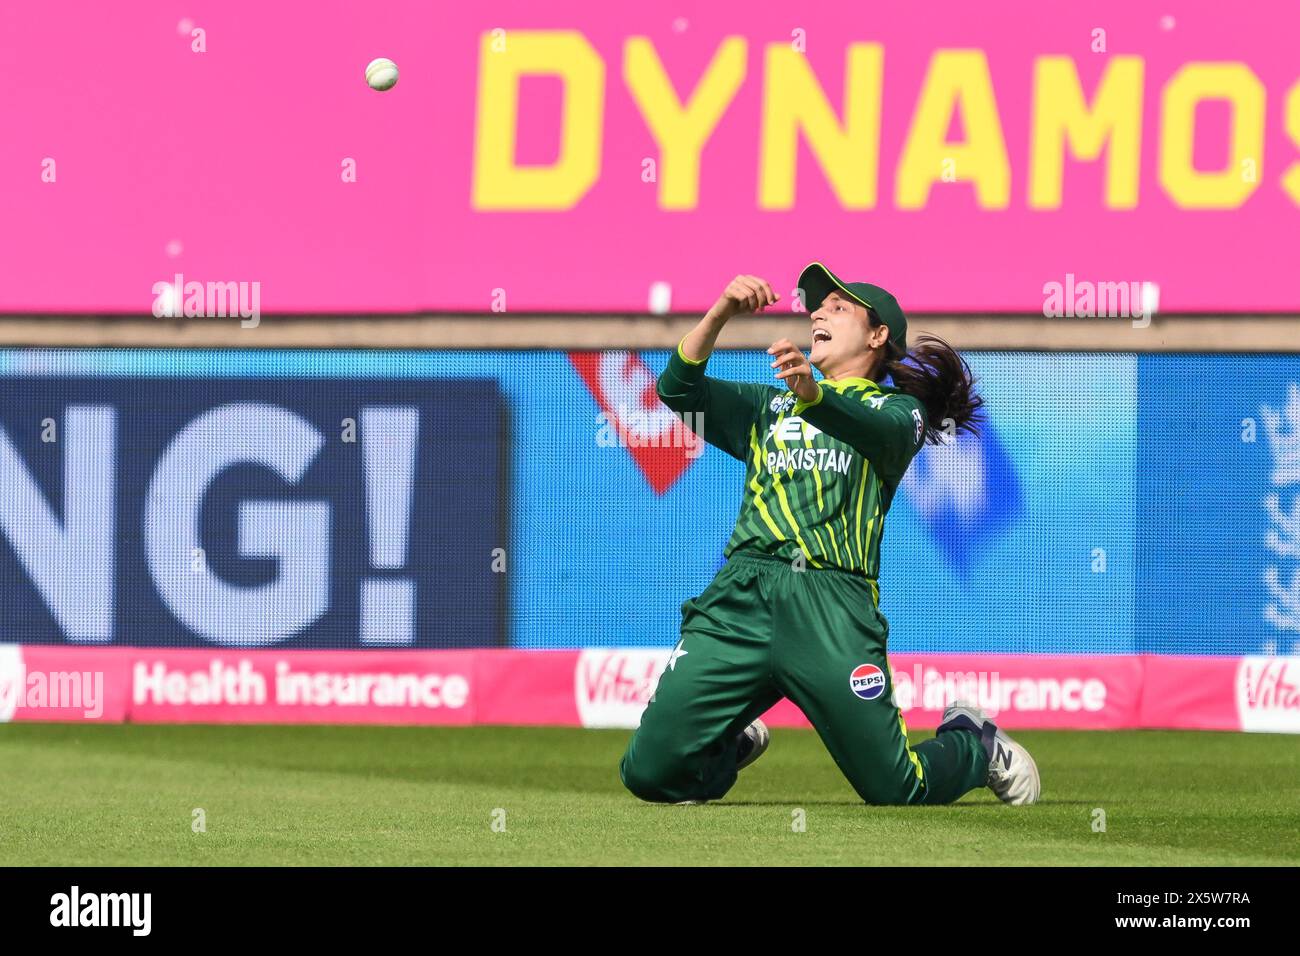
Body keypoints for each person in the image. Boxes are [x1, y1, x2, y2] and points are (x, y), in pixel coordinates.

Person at [618, 262, 1040, 806]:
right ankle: (722, 742)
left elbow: (876, 431)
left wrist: (815, 397)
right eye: (817, 306)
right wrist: (720, 311)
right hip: (741, 599)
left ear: (877, 335)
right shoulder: (768, 407)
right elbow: (676, 390)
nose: (818, 311)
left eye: (839, 307)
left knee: (896, 788)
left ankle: (975, 745)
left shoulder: (899, 411)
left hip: (831, 608)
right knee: (649, 774)